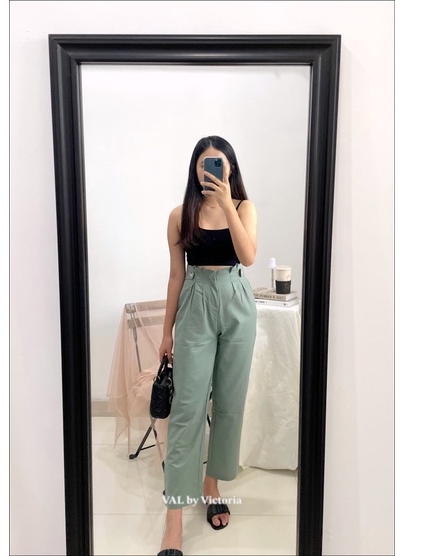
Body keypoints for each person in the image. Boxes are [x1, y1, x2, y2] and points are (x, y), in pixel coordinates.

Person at [157, 136, 258, 556]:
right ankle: (174, 518)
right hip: (196, 303)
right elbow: (176, 275)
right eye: (204, 164)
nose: (210, 170)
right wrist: (167, 332)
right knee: (187, 409)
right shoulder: (179, 215)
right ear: (194, 170)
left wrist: (228, 205)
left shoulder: (245, 208)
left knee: (230, 402)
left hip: (236, 301)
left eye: (218, 163)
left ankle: (211, 485)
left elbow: (248, 257)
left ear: (230, 168)